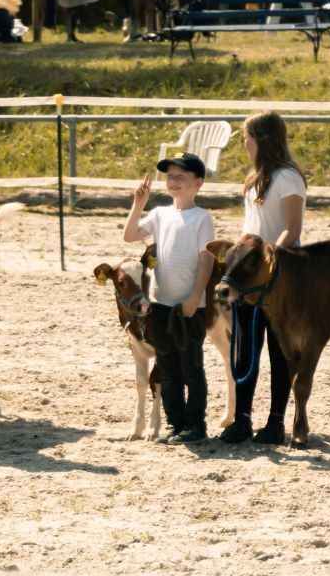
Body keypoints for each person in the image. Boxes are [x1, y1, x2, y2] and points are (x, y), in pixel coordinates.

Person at [222, 110, 305, 445]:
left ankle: (275, 421)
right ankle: (242, 418)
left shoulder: (288, 178)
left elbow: (292, 228)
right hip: (249, 275)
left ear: (263, 140)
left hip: (278, 276)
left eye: (247, 137)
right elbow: (250, 227)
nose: (244, 143)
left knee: (278, 351)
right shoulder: (254, 178)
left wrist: (271, 261)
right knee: (245, 348)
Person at [123, 152, 215, 443]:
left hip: (189, 307)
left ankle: (195, 426)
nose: (173, 181)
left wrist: (195, 297)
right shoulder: (160, 214)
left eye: (180, 177)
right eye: (170, 176)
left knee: (191, 369)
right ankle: (175, 424)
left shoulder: (202, 218)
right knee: (167, 367)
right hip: (159, 305)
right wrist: (139, 204)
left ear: (197, 183)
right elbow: (129, 235)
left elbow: (206, 260)